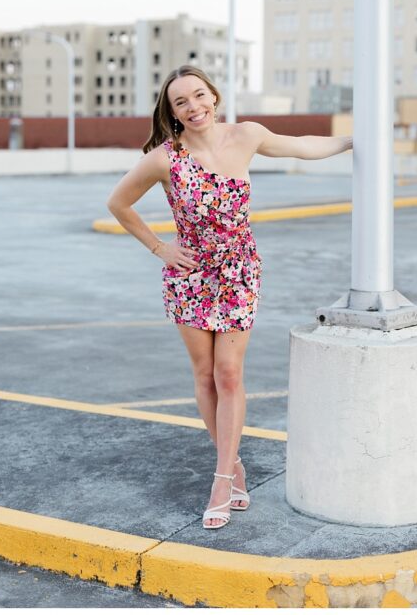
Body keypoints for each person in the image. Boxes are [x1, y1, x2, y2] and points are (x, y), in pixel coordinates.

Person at [106, 65, 352, 529]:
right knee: (204, 375)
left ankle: (222, 477)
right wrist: (160, 248)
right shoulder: (165, 158)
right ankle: (233, 464)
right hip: (191, 273)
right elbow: (118, 203)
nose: (194, 107)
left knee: (230, 374)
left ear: (213, 96)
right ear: (172, 111)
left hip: (239, 269)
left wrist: (356, 140)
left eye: (199, 96)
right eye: (182, 102)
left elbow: (303, 146)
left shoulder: (246, 136)